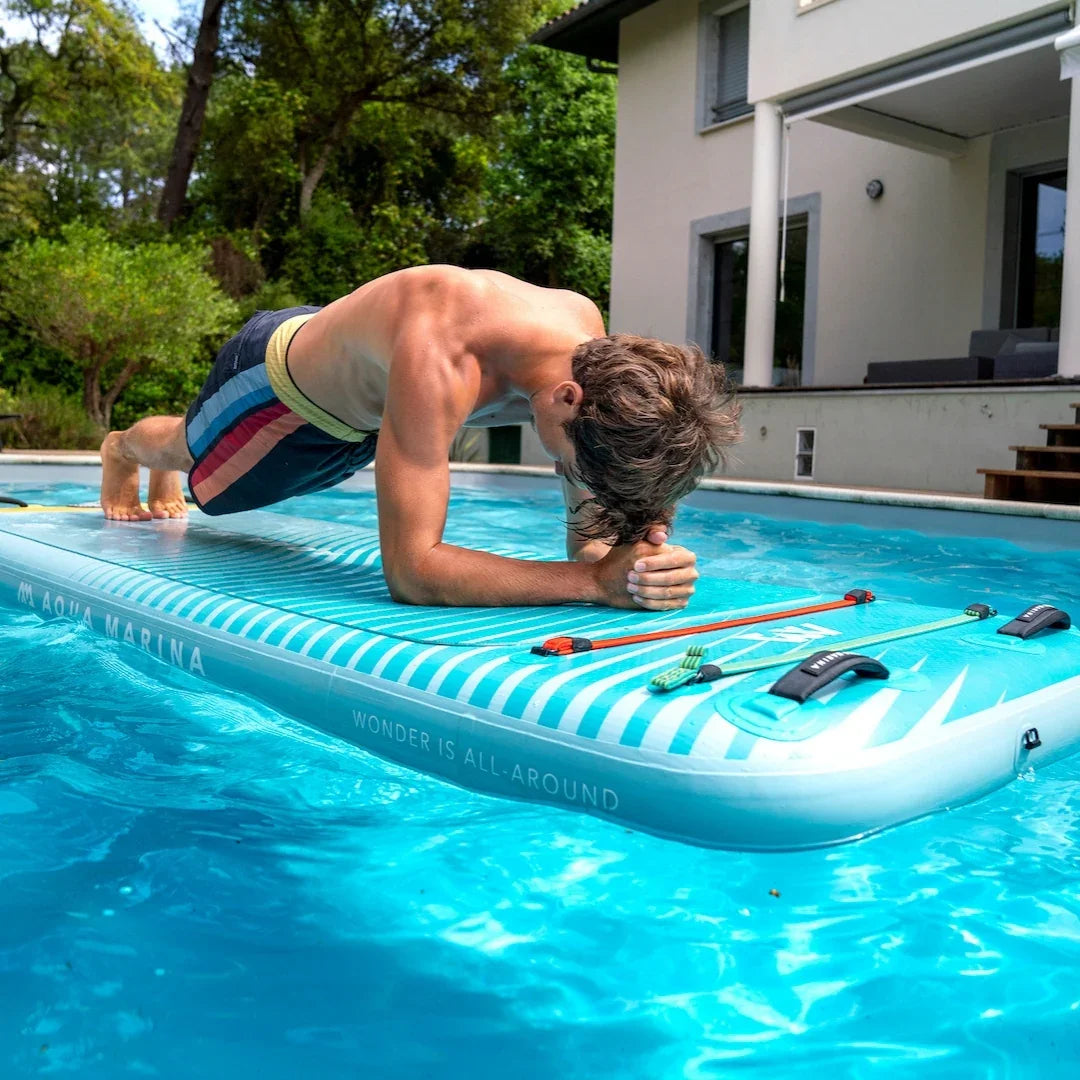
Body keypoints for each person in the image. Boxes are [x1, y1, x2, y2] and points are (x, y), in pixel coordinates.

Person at [99, 266, 741, 610]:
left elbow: (589, 536)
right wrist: (594, 583)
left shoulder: (588, 347)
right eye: (578, 467)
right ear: (566, 398)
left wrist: (637, 556)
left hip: (377, 408)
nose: (572, 479)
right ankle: (125, 450)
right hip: (279, 396)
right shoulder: (445, 351)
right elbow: (413, 573)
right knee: (191, 453)